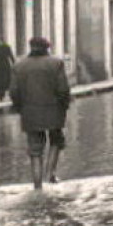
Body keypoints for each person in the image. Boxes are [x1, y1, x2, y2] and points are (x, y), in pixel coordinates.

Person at [10, 35, 72, 189]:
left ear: (31, 47)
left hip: (30, 112)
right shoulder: (56, 63)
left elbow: (14, 91)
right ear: (47, 48)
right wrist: (64, 106)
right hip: (54, 110)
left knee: (35, 149)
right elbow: (63, 89)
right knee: (56, 141)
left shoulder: (19, 66)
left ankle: (37, 185)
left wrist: (20, 108)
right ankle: (49, 175)